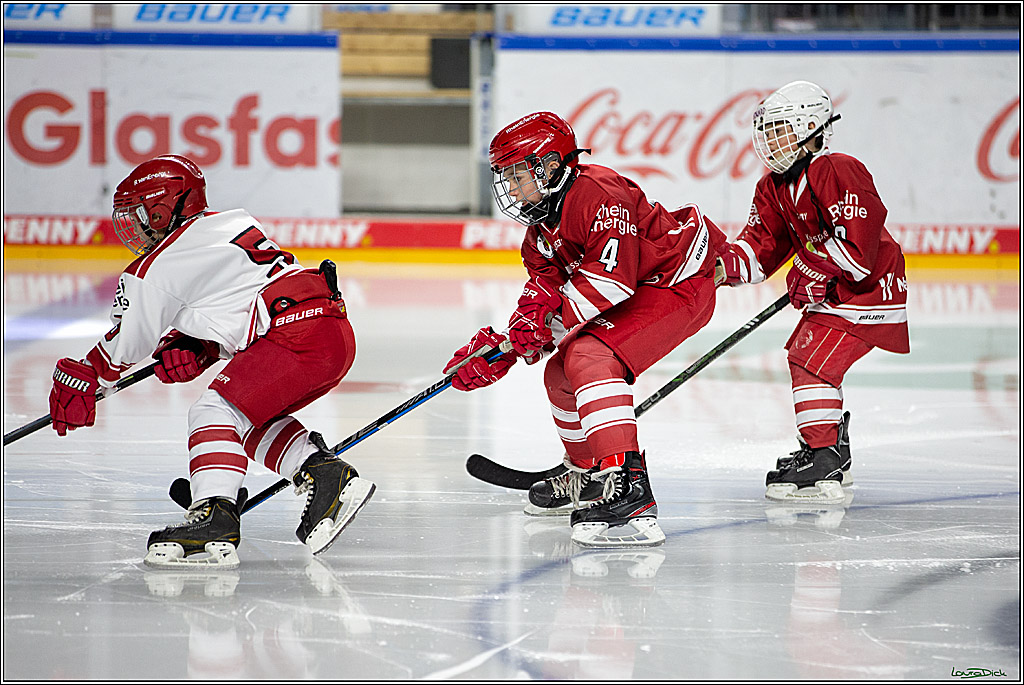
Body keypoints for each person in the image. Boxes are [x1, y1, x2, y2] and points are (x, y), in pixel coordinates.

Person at [47, 154, 375, 569]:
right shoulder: (232, 222)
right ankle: (323, 474)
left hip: (296, 335)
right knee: (243, 419)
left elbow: (122, 349)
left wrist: (83, 377)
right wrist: (201, 345)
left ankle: (214, 514)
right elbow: (237, 299)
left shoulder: (157, 266)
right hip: (327, 329)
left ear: (162, 209)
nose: (133, 228)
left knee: (213, 411)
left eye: (138, 215)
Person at [444, 111, 726, 547]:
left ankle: (627, 486)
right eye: (506, 176)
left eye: (517, 174)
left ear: (551, 164)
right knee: (559, 375)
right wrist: (507, 343)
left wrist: (524, 342)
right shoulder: (539, 232)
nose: (511, 187)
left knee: (590, 355)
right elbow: (545, 299)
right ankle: (588, 476)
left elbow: (610, 282)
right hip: (639, 287)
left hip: (675, 284)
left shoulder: (598, 193)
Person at [715, 80, 909, 504]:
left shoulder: (836, 168)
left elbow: (858, 252)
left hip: (869, 291)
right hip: (840, 294)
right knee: (808, 357)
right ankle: (829, 450)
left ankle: (824, 456)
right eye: (767, 131)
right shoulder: (773, 186)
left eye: (780, 129)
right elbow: (761, 245)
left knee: (811, 360)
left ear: (809, 128)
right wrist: (722, 266)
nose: (770, 140)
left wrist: (811, 266)